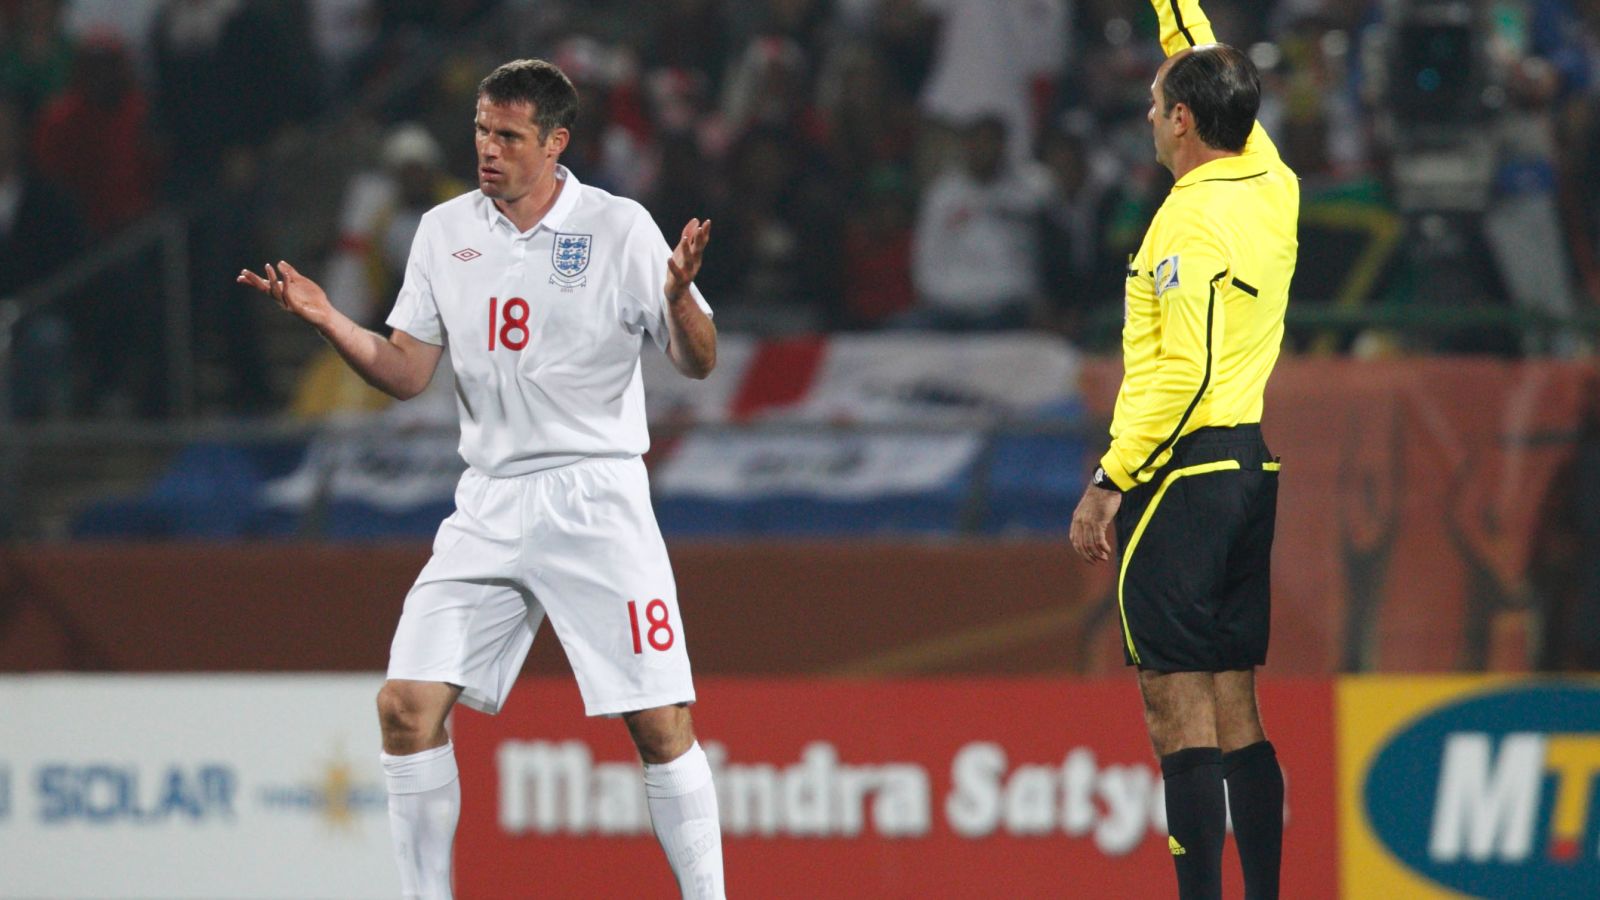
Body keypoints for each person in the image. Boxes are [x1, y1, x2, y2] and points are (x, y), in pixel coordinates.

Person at [238, 59, 725, 900]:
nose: (487, 150)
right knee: (404, 707)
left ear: (556, 142)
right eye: (479, 131)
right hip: (490, 499)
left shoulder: (618, 227)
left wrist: (679, 296)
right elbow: (404, 372)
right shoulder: (444, 232)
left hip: (594, 494)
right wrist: (327, 319)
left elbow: (699, 362)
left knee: (658, 723)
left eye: (507, 135)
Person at [1067, 2, 1298, 899]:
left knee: (1173, 704)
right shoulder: (1270, 180)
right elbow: (1205, 58)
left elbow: (1181, 374)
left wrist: (1108, 480)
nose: (1149, 116)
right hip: (1246, 464)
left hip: (1187, 472)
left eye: (1157, 103)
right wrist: (1175, 13)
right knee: (1233, 700)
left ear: (1183, 122)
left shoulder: (1188, 225)